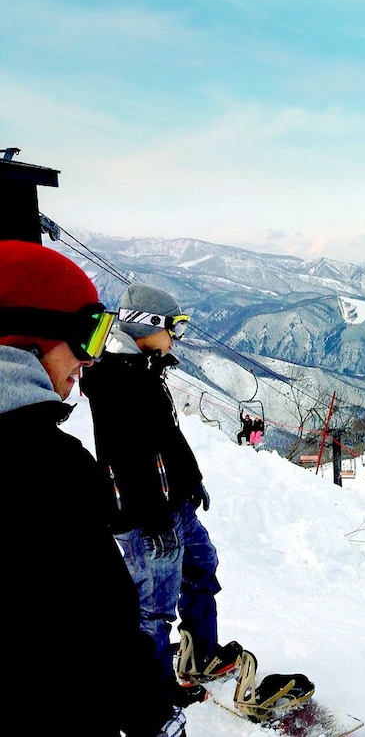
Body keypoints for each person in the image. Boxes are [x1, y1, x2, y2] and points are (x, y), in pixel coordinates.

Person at [0, 243, 185, 736]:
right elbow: (102, 623)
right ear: (28, 341)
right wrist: (153, 716)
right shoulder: (45, 467)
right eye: (87, 337)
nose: (89, 359)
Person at [80, 282, 243, 693]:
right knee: (154, 607)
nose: (178, 336)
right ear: (146, 326)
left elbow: (168, 438)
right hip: (145, 517)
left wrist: (192, 482)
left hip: (174, 506)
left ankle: (200, 654)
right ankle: (152, 691)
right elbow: (124, 461)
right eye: (175, 326)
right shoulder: (114, 380)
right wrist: (151, 518)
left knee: (202, 567)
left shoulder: (147, 371)